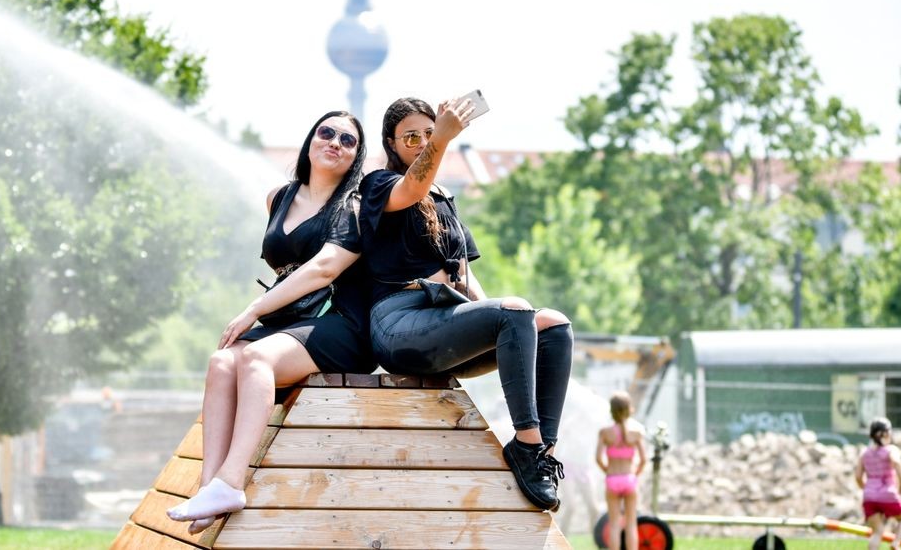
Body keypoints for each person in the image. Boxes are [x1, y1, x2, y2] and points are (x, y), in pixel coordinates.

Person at [358, 96, 574, 511]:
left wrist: (503, 321)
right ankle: (527, 445)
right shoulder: (379, 185)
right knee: (515, 309)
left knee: (553, 323)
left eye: (428, 133)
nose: (423, 142)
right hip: (398, 324)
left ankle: (540, 452)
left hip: (447, 318)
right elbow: (413, 187)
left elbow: (466, 276)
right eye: (411, 137)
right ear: (391, 144)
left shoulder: (444, 198)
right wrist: (442, 138)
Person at [166, 111, 374, 533]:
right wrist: (263, 310)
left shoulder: (353, 207)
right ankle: (208, 488)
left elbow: (323, 270)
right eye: (327, 132)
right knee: (221, 361)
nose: (335, 142)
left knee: (255, 358)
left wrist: (254, 310)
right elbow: (285, 270)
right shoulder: (278, 198)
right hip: (290, 320)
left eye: (348, 140)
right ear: (311, 140)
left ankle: (231, 481)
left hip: (342, 323)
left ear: (356, 156)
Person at [596, 390, 646, 550]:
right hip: (629, 479)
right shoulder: (636, 433)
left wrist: (608, 472)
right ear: (629, 409)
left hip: (612, 479)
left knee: (614, 525)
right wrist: (635, 475)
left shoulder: (605, 433)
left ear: (611, 410)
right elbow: (643, 460)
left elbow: (598, 458)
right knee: (631, 524)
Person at [855, 417, 901, 550]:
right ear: (886, 433)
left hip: (869, 496)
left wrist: (866, 488)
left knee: (877, 532)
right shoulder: (891, 450)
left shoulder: (865, 453)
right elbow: (896, 463)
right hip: (887, 493)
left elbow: (858, 476)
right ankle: (896, 543)